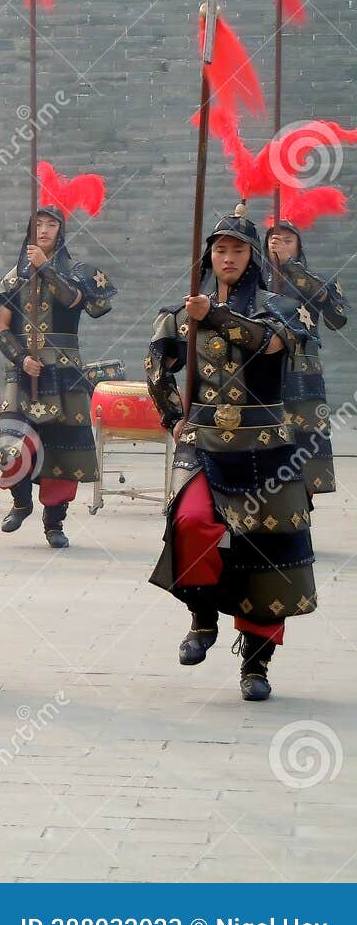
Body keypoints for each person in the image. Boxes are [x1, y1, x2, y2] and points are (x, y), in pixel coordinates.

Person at [146, 204, 315, 702]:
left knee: (266, 551)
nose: (228, 257)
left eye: (238, 249)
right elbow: (157, 365)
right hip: (203, 442)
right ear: (209, 255)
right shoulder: (179, 315)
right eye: (220, 249)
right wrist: (172, 416)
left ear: (252, 256)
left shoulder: (278, 308)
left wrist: (214, 316)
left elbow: (268, 344)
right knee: (191, 522)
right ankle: (201, 615)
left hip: (267, 447)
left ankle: (256, 664)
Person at [0, 173, 115, 547]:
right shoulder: (12, 278)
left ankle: (54, 522)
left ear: (61, 231)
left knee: (64, 449)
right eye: (38, 223)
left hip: (66, 369)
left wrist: (45, 267)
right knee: (11, 442)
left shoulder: (76, 272)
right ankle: (21, 501)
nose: (43, 229)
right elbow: (1, 327)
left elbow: (77, 300)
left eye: (51, 223)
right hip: (23, 371)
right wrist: (21, 357)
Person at [265, 214, 346, 495]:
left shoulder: (314, 281)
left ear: (299, 246)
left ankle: (303, 508)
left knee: (306, 447)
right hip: (262, 372)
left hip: (304, 374)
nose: (282, 246)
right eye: (276, 241)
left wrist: (289, 265)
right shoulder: (255, 283)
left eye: (289, 241)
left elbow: (338, 318)